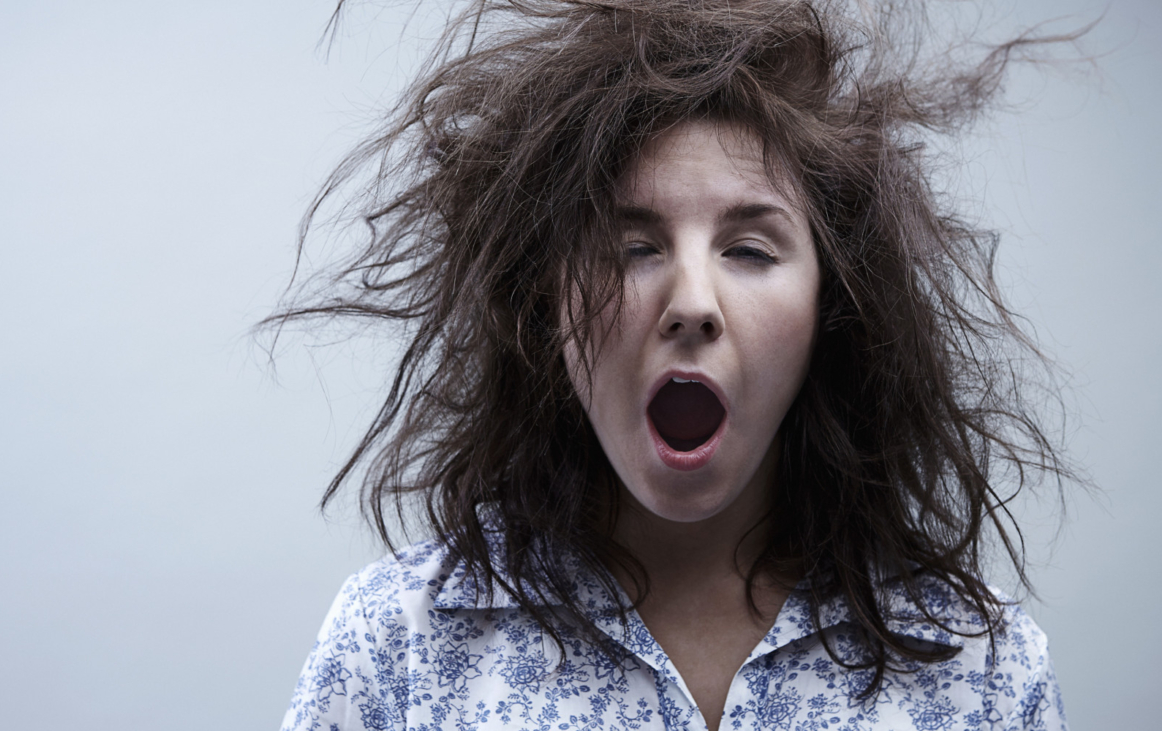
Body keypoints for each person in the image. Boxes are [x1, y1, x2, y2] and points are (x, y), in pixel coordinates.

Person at [271, 1, 1079, 729]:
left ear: (835, 308)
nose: (693, 302)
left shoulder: (984, 671)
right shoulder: (397, 647)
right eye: (632, 247)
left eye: (751, 249)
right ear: (543, 300)